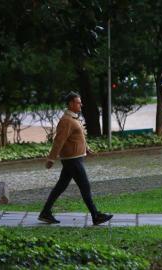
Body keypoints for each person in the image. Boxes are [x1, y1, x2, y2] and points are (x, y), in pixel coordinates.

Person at [38, 92, 113, 226]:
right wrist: (51, 158)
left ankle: (45, 212)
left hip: (74, 159)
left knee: (60, 187)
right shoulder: (66, 120)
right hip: (72, 160)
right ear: (71, 104)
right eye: (78, 102)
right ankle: (96, 216)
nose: (81, 104)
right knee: (85, 187)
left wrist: (86, 148)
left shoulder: (73, 119)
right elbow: (59, 141)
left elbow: (78, 137)